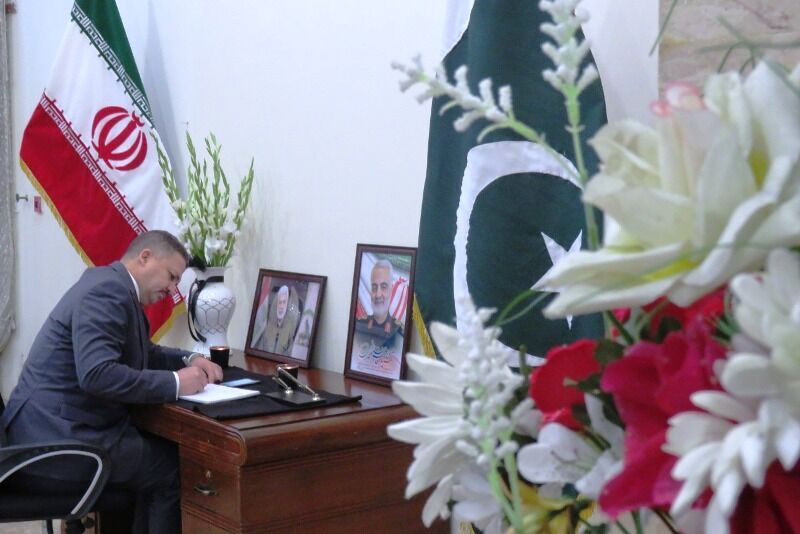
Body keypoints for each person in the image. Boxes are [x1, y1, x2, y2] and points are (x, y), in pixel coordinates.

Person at [0, 230, 223, 534]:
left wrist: (189, 360)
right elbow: (97, 375)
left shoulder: (111, 285)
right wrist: (175, 383)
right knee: (172, 468)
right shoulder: (107, 292)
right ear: (145, 257)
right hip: (51, 445)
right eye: (171, 277)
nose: (172, 290)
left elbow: (143, 352)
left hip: (52, 430)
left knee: (157, 455)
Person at [351, 259, 404, 377]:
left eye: (383, 287)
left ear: (391, 289)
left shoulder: (399, 335)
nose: (378, 294)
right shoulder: (358, 329)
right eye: (374, 287)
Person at [252, 285, 301, 355]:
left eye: (284, 302)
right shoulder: (267, 329)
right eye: (280, 302)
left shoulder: (290, 331)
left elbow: (290, 356)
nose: (281, 306)